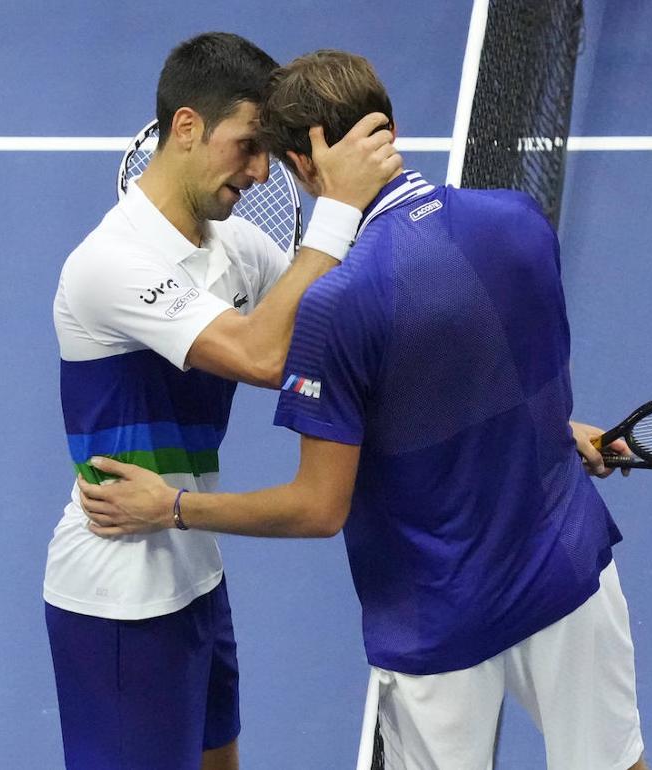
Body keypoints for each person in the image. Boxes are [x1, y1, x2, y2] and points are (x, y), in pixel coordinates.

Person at [79, 49, 649, 770]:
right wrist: (550, 432)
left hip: (441, 622)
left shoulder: (337, 307)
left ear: (305, 163)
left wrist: (175, 508)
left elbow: (318, 508)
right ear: (384, 126)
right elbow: (481, 374)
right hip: (570, 574)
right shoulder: (518, 218)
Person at [46, 34, 401, 770]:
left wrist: (539, 430)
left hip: (194, 573)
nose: (262, 171)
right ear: (185, 128)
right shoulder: (110, 264)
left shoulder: (234, 247)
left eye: (270, 151)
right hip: (119, 600)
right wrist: (335, 210)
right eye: (246, 146)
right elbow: (263, 356)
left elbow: (347, 344)